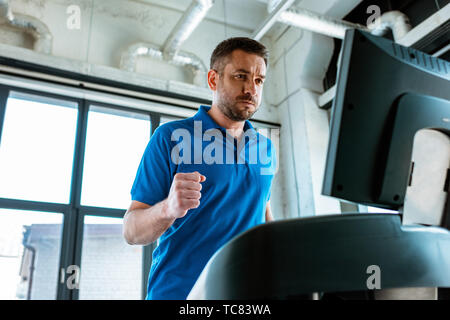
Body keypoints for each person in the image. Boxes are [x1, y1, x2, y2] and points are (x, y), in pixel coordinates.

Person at [123, 37, 277, 300]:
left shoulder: (265, 147)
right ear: (213, 79)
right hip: (179, 295)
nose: (251, 88)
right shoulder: (170, 137)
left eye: (259, 80)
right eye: (241, 76)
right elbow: (131, 231)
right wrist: (168, 208)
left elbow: (262, 214)